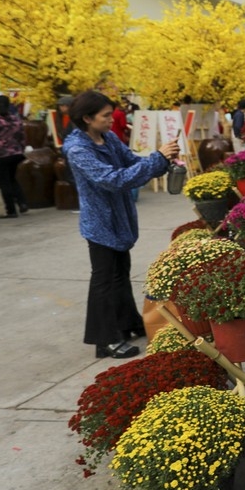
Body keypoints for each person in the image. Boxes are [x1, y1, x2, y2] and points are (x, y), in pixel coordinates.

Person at [63, 91, 179, 359]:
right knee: (103, 280)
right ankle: (105, 340)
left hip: (120, 218)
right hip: (100, 223)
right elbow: (113, 179)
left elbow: (133, 163)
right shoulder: (78, 149)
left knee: (119, 274)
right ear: (87, 118)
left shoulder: (109, 138)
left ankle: (127, 322)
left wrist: (160, 160)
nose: (111, 120)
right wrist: (157, 159)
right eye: (105, 116)